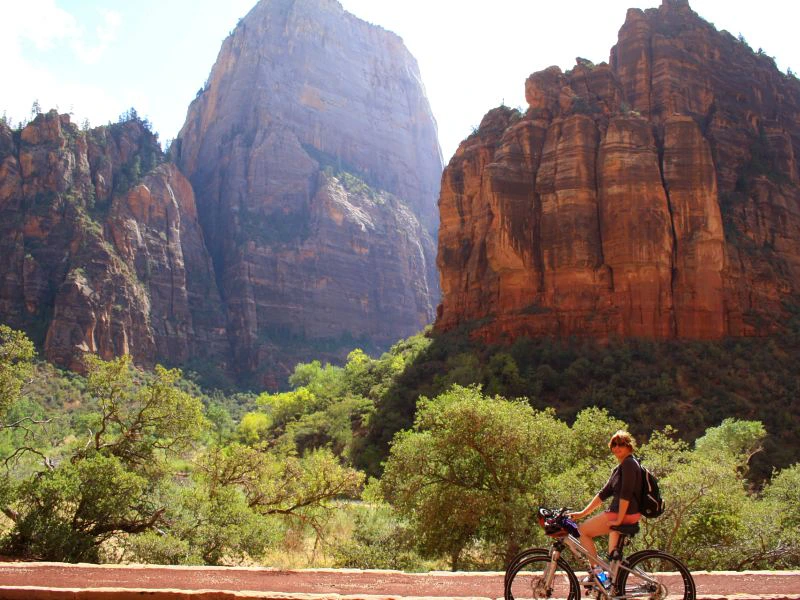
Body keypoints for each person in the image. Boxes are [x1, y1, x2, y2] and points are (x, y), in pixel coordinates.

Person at [568, 430, 642, 585]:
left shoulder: (629, 463)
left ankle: (596, 573)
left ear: (629, 446)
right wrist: (581, 513)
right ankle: (610, 585)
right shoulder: (620, 468)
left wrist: (620, 519)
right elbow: (603, 494)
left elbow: (626, 495)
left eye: (621, 444)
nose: (616, 447)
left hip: (622, 513)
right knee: (613, 559)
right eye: (614, 444)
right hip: (622, 514)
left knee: (581, 531)